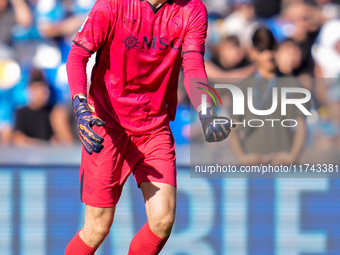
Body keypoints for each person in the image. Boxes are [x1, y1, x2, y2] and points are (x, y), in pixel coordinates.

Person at [65, 0, 233, 254]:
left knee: (162, 221)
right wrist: (80, 105)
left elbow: (194, 67)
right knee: (97, 227)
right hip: (107, 125)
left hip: (154, 127)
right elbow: (78, 55)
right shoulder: (113, 5)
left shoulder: (192, 9)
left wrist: (206, 111)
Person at [229, 26, 308, 166]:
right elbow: (233, 127)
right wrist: (242, 158)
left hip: (284, 165)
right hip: (252, 165)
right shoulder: (242, 88)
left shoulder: (293, 84)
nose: (268, 55)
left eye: (271, 49)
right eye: (262, 50)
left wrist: (292, 157)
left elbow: (301, 126)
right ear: (253, 53)